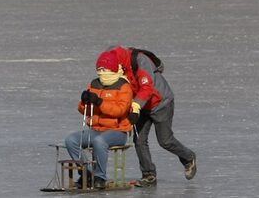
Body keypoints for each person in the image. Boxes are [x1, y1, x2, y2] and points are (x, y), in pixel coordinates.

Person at [102, 45, 196, 186]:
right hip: (141, 106)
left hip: (161, 103)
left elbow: (147, 88)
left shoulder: (140, 61)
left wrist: (136, 106)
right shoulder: (117, 69)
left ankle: (189, 157)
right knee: (139, 140)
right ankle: (149, 175)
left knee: (165, 141)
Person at [64, 49, 135, 190]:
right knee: (71, 140)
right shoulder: (94, 84)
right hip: (97, 129)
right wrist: (84, 102)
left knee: (99, 141)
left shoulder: (123, 86)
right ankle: (87, 172)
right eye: (99, 69)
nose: (102, 72)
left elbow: (120, 110)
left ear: (113, 69)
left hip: (117, 131)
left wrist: (100, 102)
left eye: (105, 69)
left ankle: (100, 177)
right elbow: (83, 110)